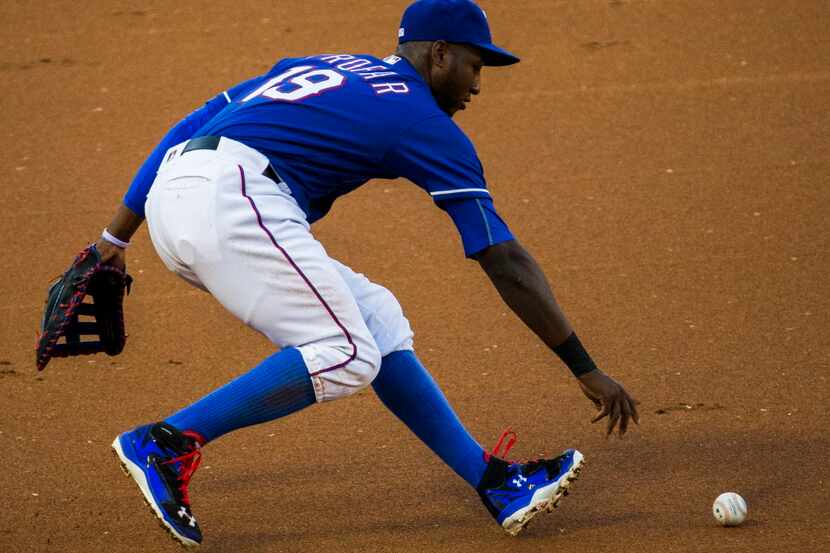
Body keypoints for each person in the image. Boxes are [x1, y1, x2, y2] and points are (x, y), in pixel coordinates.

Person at [103, 0, 639, 547]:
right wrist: (584, 367)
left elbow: (191, 123)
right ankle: (167, 442)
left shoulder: (328, 64)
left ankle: (496, 484)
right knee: (348, 353)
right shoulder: (422, 120)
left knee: (375, 319)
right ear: (439, 53)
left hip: (177, 197)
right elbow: (504, 260)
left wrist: (114, 238)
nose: (477, 85)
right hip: (234, 202)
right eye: (475, 66)